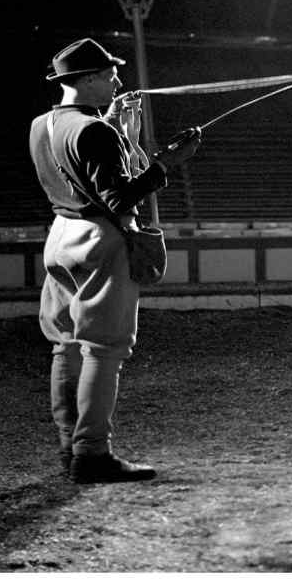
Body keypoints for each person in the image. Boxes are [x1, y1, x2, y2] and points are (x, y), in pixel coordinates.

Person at [28, 38, 202, 484]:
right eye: (109, 75)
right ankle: (92, 452)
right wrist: (167, 164)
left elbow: (79, 165)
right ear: (87, 79)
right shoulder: (96, 132)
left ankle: (69, 446)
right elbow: (118, 197)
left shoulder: (42, 124)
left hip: (61, 236)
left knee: (66, 343)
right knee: (105, 349)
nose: (117, 81)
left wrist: (117, 129)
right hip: (99, 240)